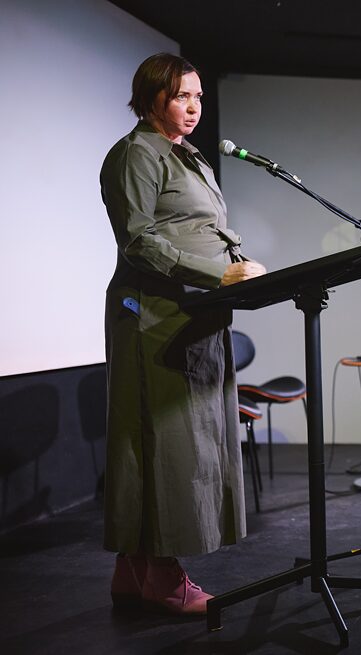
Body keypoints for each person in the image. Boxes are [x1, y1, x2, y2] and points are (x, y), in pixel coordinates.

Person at [101, 53, 266, 615]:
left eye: (198, 96)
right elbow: (140, 240)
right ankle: (165, 578)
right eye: (180, 97)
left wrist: (239, 263)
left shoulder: (189, 156)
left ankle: (133, 570)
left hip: (196, 313)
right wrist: (217, 272)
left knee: (182, 442)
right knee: (163, 445)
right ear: (151, 97)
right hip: (154, 316)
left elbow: (205, 228)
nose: (193, 107)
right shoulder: (135, 154)